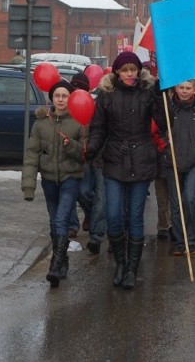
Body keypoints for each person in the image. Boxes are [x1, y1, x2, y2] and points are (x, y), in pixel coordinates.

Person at [86, 51, 164, 290]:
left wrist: (161, 98)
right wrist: (91, 148)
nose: (130, 73)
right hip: (114, 159)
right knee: (113, 216)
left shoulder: (148, 92)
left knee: (135, 217)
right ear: (117, 72)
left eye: (133, 69)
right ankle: (120, 263)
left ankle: (131, 268)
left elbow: (163, 121)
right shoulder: (106, 95)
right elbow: (99, 127)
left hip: (141, 158)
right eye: (125, 69)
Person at [22, 80, 85, 288]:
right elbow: (32, 155)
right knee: (53, 223)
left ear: (71, 98)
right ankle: (63, 260)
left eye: (64, 96)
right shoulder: (41, 123)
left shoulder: (79, 121)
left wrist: (71, 146)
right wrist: (28, 186)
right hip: (49, 180)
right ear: (52, 98)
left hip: (70, 179)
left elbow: (85, 155)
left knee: (60, 221)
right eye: (57, 95)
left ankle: (55, 267)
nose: (60, 99)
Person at [154, 79, 195, 257]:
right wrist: (165, 147)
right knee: (176, 204)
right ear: (175, 88)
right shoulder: (167, 107)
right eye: (181, 88)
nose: (185, 91)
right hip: (172, 161)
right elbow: (157, 132)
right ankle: (179, 242)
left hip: (194, 162)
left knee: (190, 199)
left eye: (188, 88)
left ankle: (192, 241)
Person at [71, 72, 107, 254]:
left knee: (95, 193)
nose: (77, 91)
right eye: (74, 87)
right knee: (81, 191)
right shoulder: (69, 105)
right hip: (79, 155)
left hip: (98, 156)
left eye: (81, 88)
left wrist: (92, 146)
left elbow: (99, 129)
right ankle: (92, 216)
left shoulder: (94, 105)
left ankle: (96, 229)